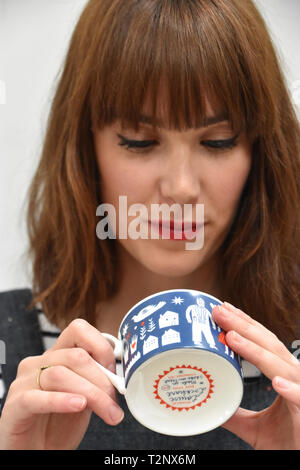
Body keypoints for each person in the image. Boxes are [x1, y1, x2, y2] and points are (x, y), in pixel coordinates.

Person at [0, 0, 300, 450]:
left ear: (259, 153)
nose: (180, 188)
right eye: (139, 141)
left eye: (217, 142)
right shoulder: (11, 349)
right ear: (86, 150)